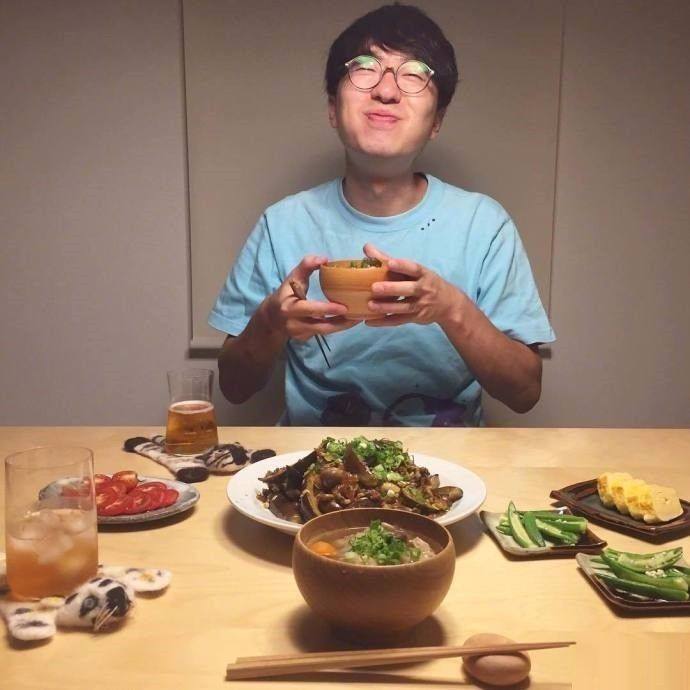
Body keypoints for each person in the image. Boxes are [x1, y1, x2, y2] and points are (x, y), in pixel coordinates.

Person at [209, 3, 555, 427]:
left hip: (447, 461)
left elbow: (525, 392)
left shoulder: (484, 225)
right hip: (314, 459)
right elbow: (234, 387)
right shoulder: (281, 224)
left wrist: (450, 307)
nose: (386, 91)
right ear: (333, 109)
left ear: (436, 121)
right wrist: (271, 322)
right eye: (365, 68)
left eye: (413, 74)